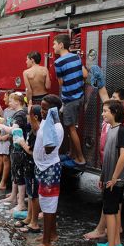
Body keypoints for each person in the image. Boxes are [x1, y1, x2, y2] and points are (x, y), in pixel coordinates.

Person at [84, 87, 124, 240]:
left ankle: (102, 231)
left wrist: (113, 176)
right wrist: (101, 87)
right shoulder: (112, 118)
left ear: (121, 104)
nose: (103, 113)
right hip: (108, 165)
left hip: (117, 169)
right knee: (114, 202)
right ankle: (115, 231)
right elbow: (107, 103)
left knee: (109, 201)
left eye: (114, 97)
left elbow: (123, 154)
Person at [94, 99, 124, 246]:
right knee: (113, 211)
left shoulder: (121, 130)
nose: (103, 113)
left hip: (115, 180)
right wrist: (102, 177)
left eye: (106, 111)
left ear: (114, 112)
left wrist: (114, 177)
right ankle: (115, 244)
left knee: (110, 211)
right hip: (108, 178)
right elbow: (107, 156)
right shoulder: (112, 129)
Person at [29, 94, 64, 246]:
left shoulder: (55, 127)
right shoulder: (46, 121)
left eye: (45, 108)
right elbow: (38, 132)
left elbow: (49, 148)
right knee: (47, 203)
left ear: (54, 110)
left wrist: (47, 122)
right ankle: (53, 234)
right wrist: (32, 116)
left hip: (50, 169)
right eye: (41, 107)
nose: (41, 111)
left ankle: (46, 242)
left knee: (48, 205)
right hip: (42, 167)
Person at [53, 34, 87, 167]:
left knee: (71, 129)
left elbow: (61, 83)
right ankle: (72, 154)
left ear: (61, 45)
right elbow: (85, 74)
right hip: (80, 96)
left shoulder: (58, 62)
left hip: (69, 99)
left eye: (55, 44)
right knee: (73, 126)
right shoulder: (76, 57)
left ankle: (80, 158)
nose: (53, 47)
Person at [0, 92, 28, 211]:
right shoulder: (20, 112)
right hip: (15, 146)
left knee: (19, 173)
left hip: (19, 148)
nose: (9, 102)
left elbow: (14, 130)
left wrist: (2, 127)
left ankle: (21, 203)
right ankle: (14, 196)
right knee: (15, 172)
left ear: (18, 101)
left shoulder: (20, 114)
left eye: (11, 100)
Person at [17, 105, 42, 233]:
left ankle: (34, 223)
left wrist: (21, 143)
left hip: (33, 166)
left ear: (35, 117)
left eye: (29, 114)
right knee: (31, 194)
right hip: (28, 166)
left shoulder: (38, 132)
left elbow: (33, 152)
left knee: (34, 195)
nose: (27, 117)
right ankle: (29, 218)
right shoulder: (32, 129)